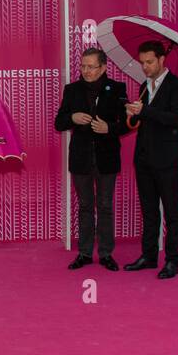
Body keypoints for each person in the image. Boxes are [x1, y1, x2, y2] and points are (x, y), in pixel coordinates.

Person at [54, 48, 129, 270]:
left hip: (107, 158)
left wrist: (109, 128)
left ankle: (106, 253)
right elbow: (59, 122)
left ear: (103, 68)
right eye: (83, 66)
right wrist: (72, 117)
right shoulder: (72, 90)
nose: (85, 71)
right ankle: (85, 253)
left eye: (91, 66)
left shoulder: (117, 89)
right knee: (85, 206)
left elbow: (127, 124)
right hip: (81, 158)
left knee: (105, 206)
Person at [123, 40, 178, 280]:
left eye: (149, 62)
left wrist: (145, 111)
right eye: (142, 62)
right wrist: (132, 112)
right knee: (149, 211)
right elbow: (145, 120)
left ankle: (172, 260)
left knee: (172, 211)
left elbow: (174, 119)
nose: (145, 67)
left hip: (167, 159)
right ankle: (149, 256)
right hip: (143, 158)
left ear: (162, 60)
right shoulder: (143, 85)